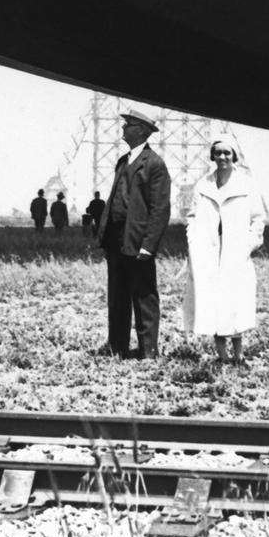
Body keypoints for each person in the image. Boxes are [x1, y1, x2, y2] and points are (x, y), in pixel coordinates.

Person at [182, 136, 265, 365]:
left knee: (235, 300)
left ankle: (239, 354)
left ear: (234, 156)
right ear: (212, 156)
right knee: (212, 299)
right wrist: (193, 241)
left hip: (235, 251)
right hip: (208, 250)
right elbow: (192, 217)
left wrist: (248, 245)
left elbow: (258, 219)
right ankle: (222, 354)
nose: (222, 157)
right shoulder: (203, 184)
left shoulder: (246, 184)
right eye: (218, 153)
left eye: (227, 153)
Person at [96, 109, 171, 359]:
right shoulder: (122, 160)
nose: (123, 128)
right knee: (117, 296)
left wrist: (149, 245)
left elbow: (160, 209)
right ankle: (117, 347)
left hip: (138, 241)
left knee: (144, 296)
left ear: (141, 130)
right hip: (116, 239)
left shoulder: (155, 164)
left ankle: (148, 351)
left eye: (128, 125)